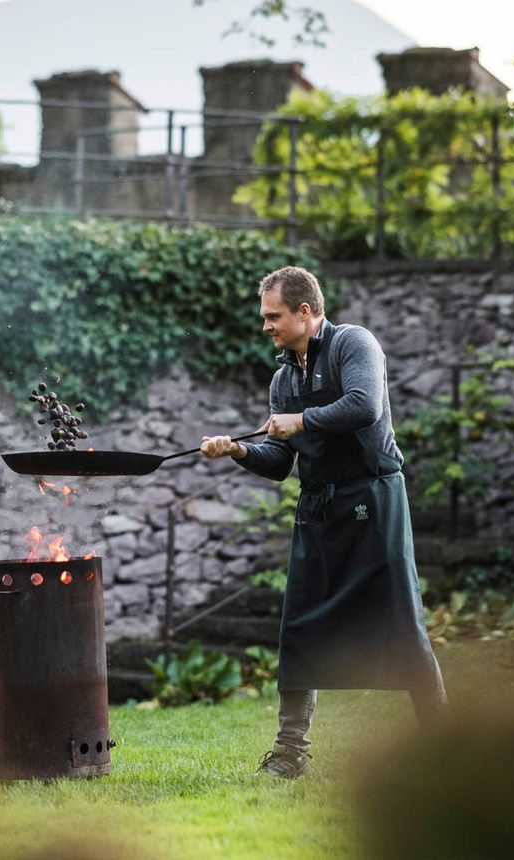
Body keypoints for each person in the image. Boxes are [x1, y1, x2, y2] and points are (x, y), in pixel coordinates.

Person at [201, 266, 448, 780]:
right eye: (265, 317)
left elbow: (364, 405)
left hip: (373, 502)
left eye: (274, 316)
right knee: (299, 628)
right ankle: (290, 753)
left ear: (305, 311)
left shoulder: (354, 344)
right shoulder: (283, 379)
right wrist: (239, 450)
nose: (266, 326)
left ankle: (445, 745)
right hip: (317, 509)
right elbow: (279, 463)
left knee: (403, 625)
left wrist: (301, 420)